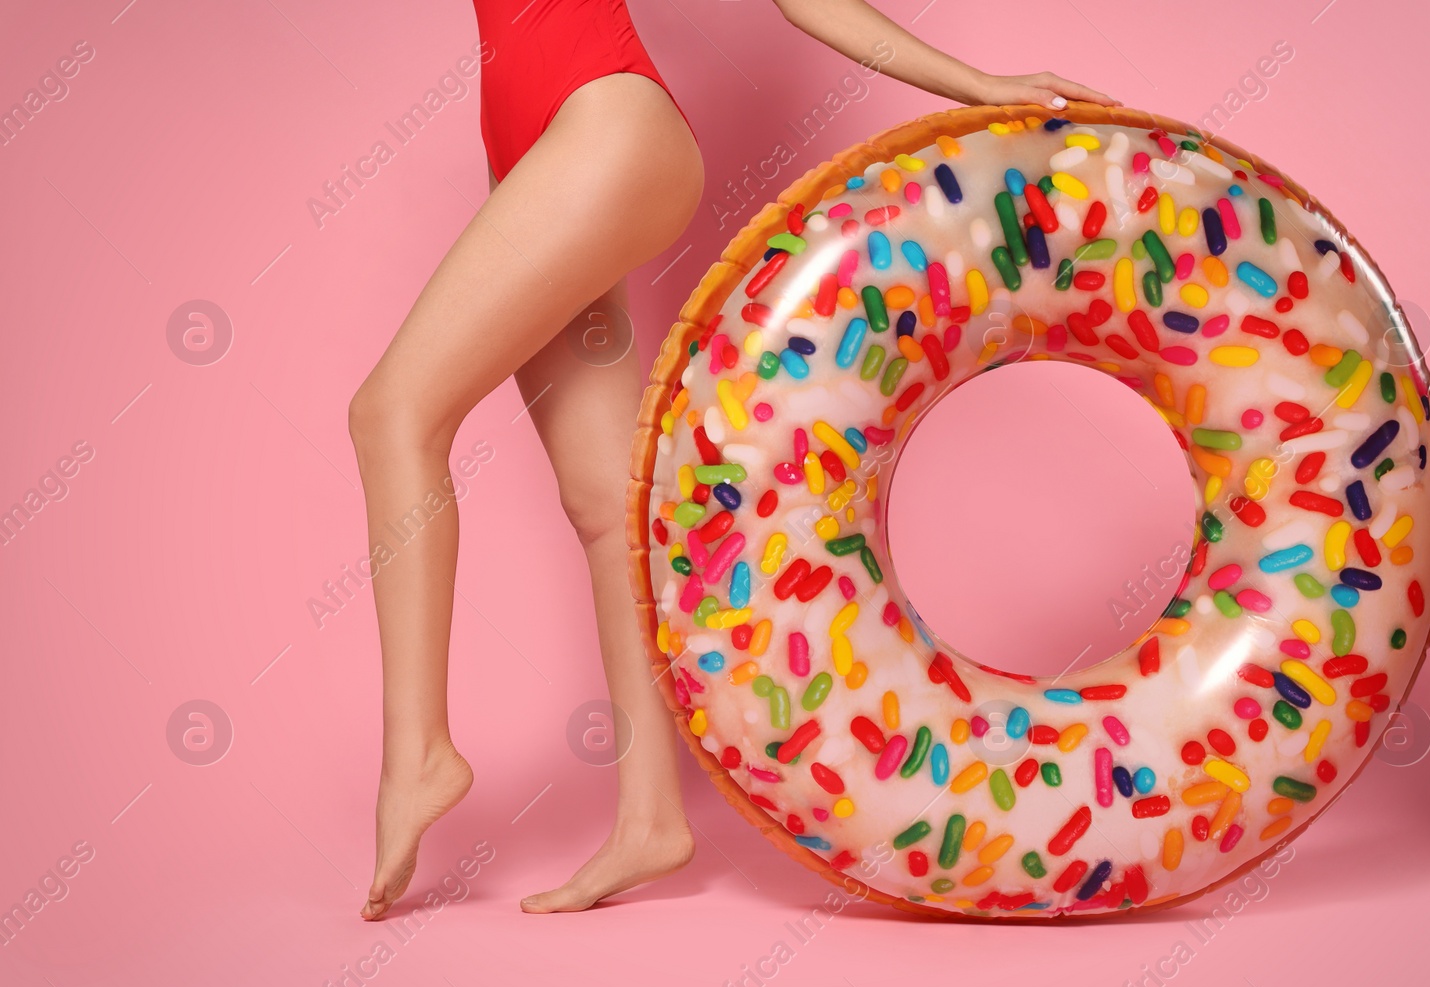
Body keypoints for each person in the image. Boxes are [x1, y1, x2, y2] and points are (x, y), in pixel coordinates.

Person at [351, 0, 1116, 920]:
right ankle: (650, 820)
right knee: (601, 501)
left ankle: (419, 755)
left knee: (391, 412)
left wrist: (978, 86)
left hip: (605, 129)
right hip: (540, 141)